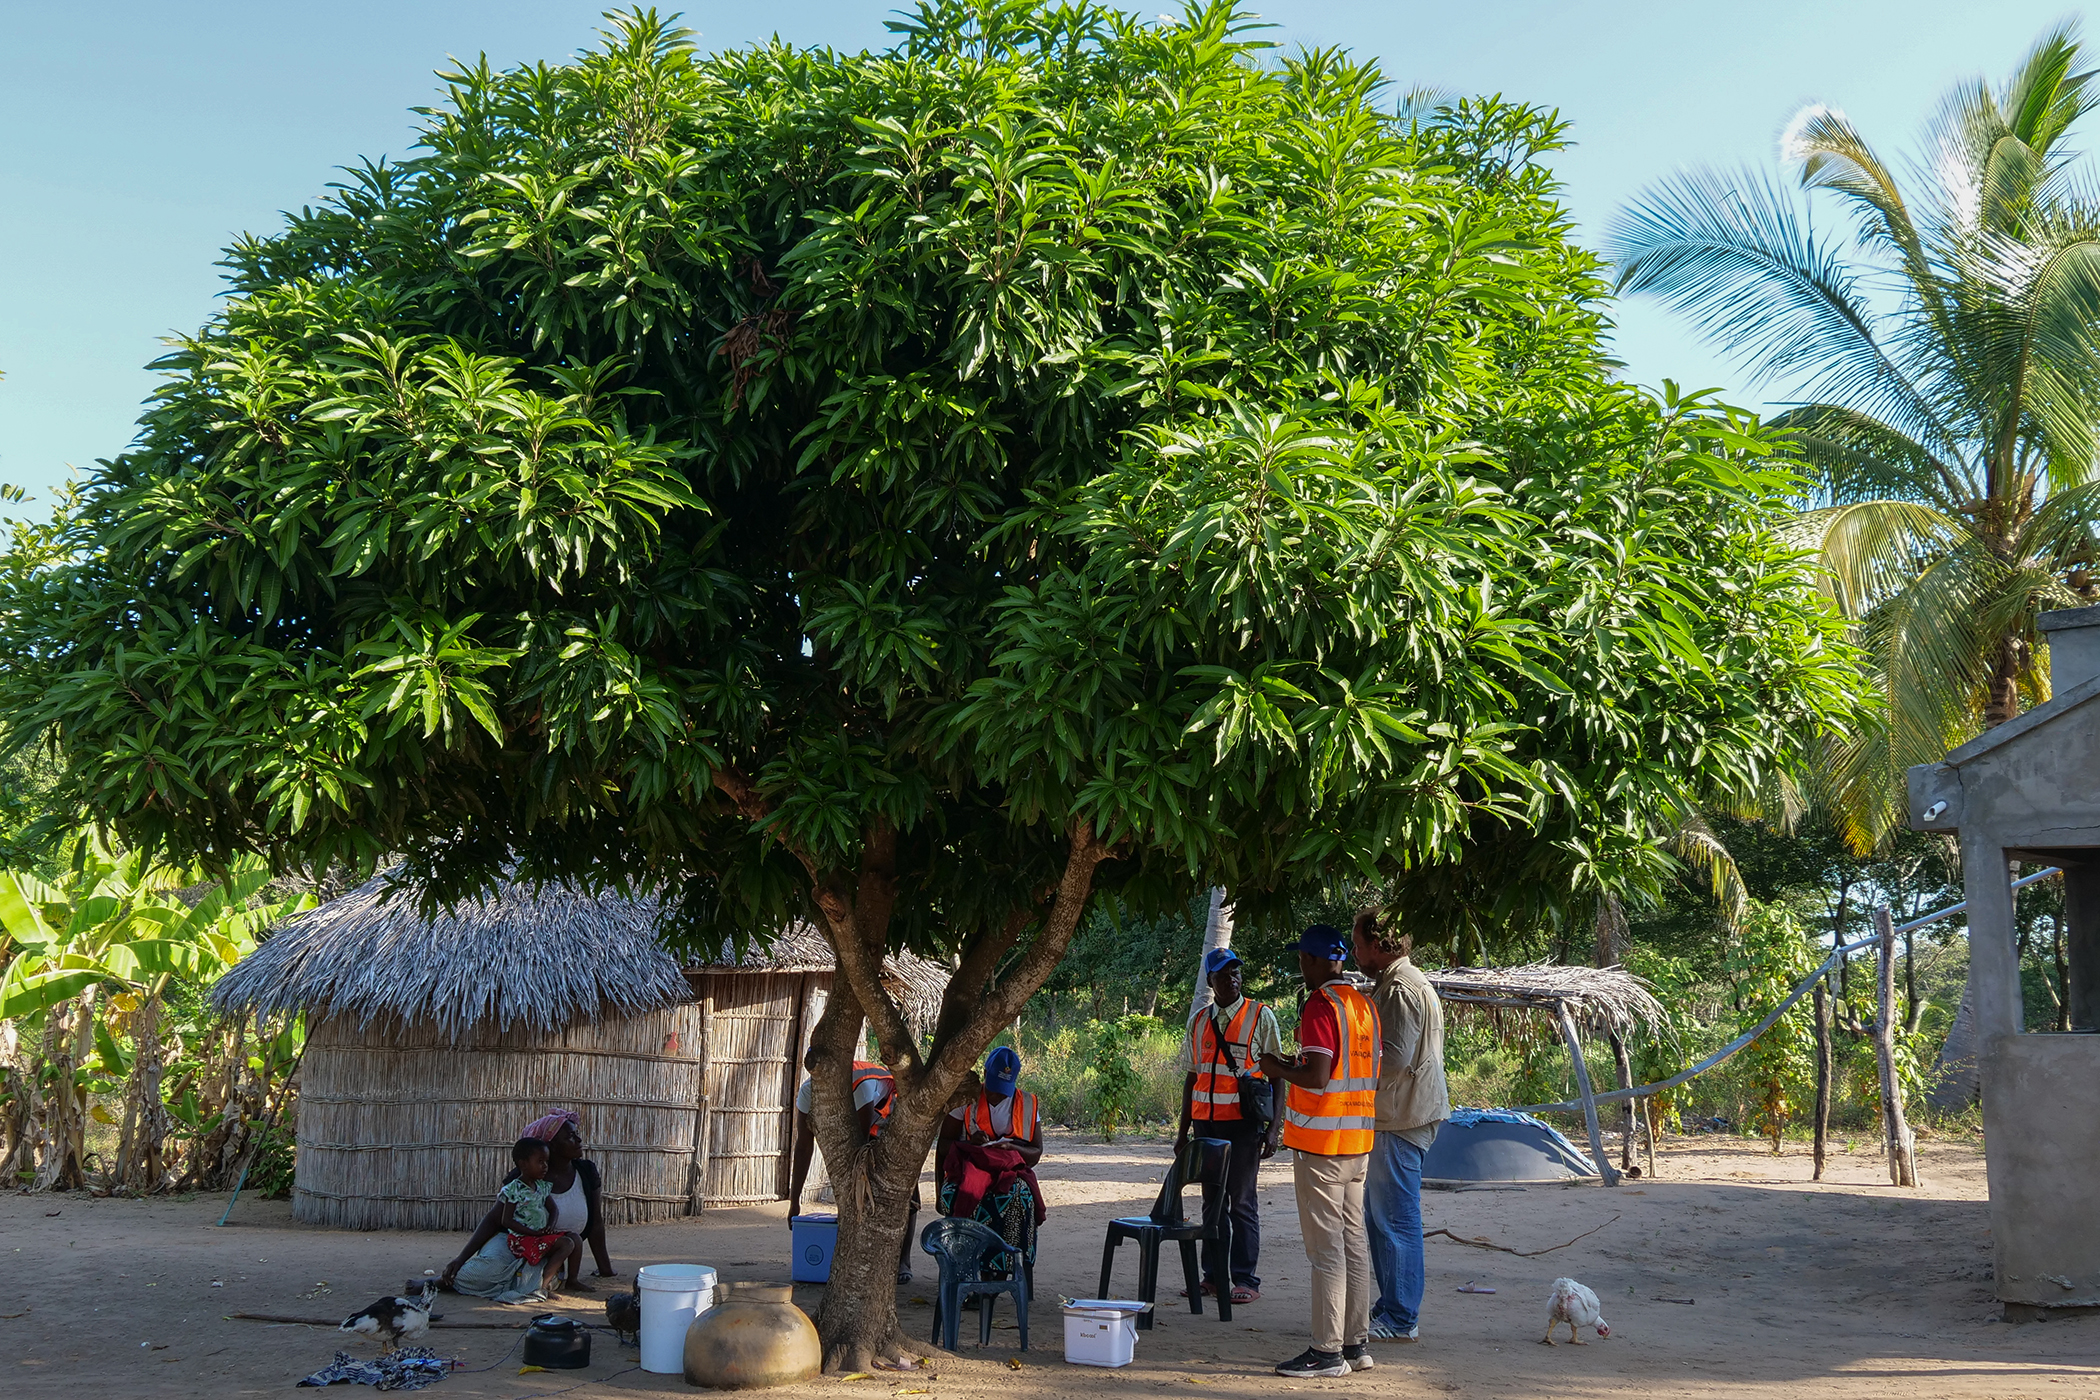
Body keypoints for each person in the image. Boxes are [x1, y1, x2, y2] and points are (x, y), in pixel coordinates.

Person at [1257, 925, 1381, 1379]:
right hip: (1358, 1141)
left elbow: (1318, 1075)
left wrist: (1274, 1066)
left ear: (1311, 960)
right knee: (1353, 1243)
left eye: (1302, 960)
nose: (1301, 968)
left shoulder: (1319, 1005)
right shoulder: (1363, 1005)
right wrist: (1298, 1065)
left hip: (1322, 1146)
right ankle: (1356, 1343)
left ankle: (1326, 1352)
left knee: (1326, 1250)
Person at [1352, 908, 1449, 1344]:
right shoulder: (1402, 983)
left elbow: (1391, 1056)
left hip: (1400, 1117)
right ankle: (1394, 1305)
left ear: (1377, 944)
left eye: (1357, 944)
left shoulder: (1400, 990)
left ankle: (1400, 1315)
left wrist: (1343, 1068)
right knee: (1384, 1218)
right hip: (1401, 1114)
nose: (1354, 953)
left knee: (1394, 1220)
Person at [1175, 946, 1281, 1305]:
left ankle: (1245, 1279)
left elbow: (1277, 1076)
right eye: (1223, 974)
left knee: (1242, 1203)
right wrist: (1182, 1132)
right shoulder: (1199, 1021)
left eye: (1236, 972)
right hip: (1206, 1126)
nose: (1232, 979)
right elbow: (1193, 1079)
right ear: (1211, 981)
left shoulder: (1260, 1016)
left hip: (1242, 1125)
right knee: (1211, 1203)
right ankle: (1213, 1276)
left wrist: (1273, 1128)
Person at [439, 1108, 618, 1300]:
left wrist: (604, 1268)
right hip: (511, 1243)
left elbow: (596, 1223)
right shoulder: (522, 1179)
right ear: (551, 1145)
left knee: (529, 1280)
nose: (579, 1140)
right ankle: (436, 1283)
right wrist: (461, 1258)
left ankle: (524, 1286)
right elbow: (494, 1219)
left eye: (577, 1134)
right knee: (485, 1273)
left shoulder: (586, 1172)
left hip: (550, 1250)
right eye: (570, 1136)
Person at [787, 1047, 917, 1283]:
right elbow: (803, 1147)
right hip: (868, 1120)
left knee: (905, 1191)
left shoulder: (860, 1085)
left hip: (895, 1111)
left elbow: (862, 1143)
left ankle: (903, 1262)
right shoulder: (808, 1091)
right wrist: (794, 1201)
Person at [935, 1046, 1045, 1280]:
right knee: (965, 1194)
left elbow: (1035, 1153)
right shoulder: (966, 1100)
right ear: (985, 1074)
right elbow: (943, 1145)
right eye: (994, 1089)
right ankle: (967, 1270)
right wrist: (971, 1145)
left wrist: (1012, 1148)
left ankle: (1008, 1268)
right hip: (970, 1169)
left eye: (1003, 1091)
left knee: (1018, 1197)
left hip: (1009, 1171)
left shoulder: (1027, 1104)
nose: (996, 1096)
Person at [499, 1136, 580, 1297]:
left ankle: (572, 1280)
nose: (545, 1166)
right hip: (522, 1240)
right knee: (567, 1244)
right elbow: (506, 1220)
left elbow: (553, 1210)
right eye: (540, 1162)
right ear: (523, 1164)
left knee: (575, 1239)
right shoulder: (514, 1189)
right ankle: (542, 1285)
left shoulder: (542, 1187)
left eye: (546, 1162)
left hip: (539, 1236)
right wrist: (532, 1232)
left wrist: (550, 1226)